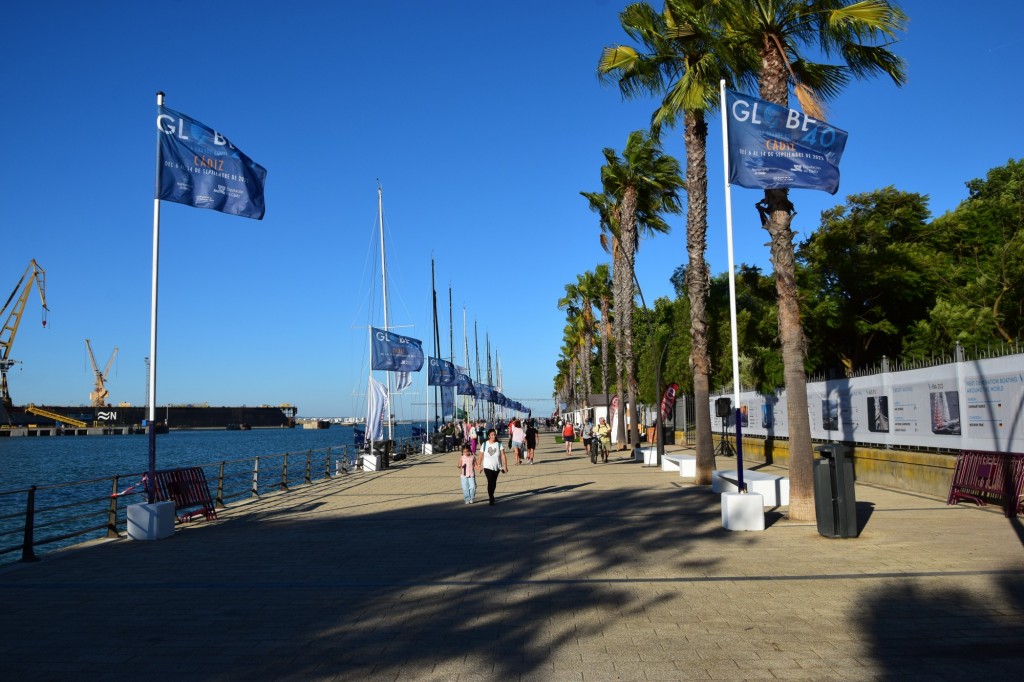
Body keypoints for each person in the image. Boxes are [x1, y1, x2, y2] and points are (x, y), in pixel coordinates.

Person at [477, 428, 508, 505]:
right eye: (492, 435)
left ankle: (492, 495)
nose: (494, 436)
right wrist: (479, 465)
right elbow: (480, 455)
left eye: (494, 434)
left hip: (497, 466)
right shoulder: (484, 444)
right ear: (489, 436)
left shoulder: (499, 444)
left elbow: (503, 455)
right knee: (490, 481)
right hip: (487, 466)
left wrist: (505, 466)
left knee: (494, 483)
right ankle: (491, 497)